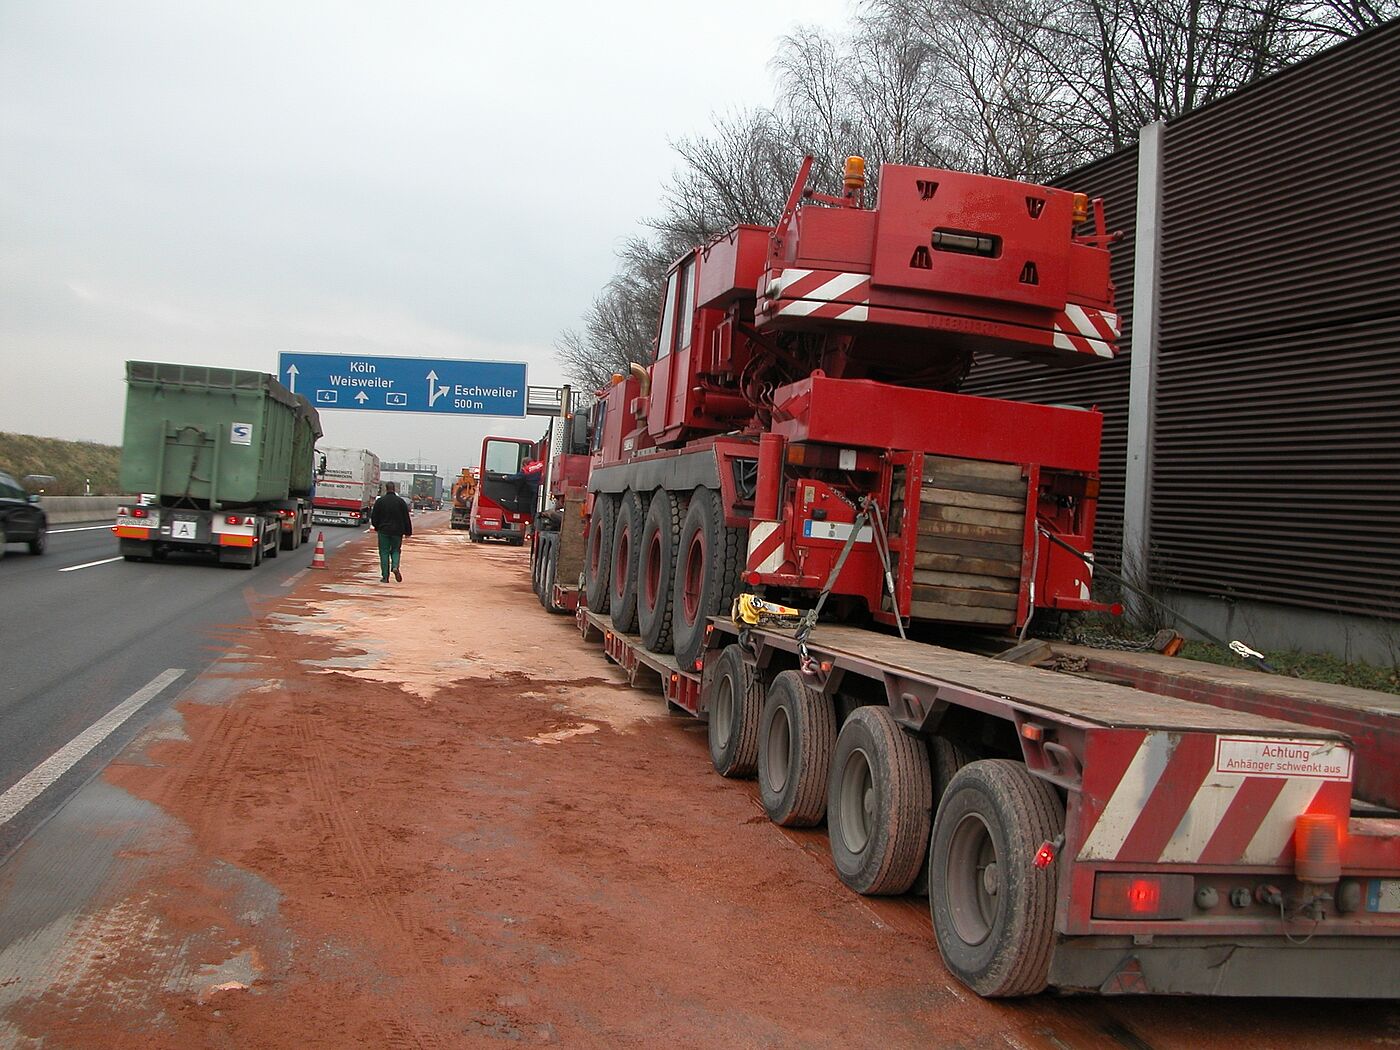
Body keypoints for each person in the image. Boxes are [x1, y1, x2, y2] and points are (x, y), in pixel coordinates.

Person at [370, 481, 413, 582]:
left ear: (386, 488)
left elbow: (374, 516)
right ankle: (395, 566)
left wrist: (377, 526)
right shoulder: (401, 502)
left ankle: (385, 577)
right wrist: (408, 531)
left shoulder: (380, 501)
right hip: (397, 532)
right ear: (394, 489)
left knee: (384, 552)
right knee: (396, 550)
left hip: (383, 531)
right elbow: (406, 518)